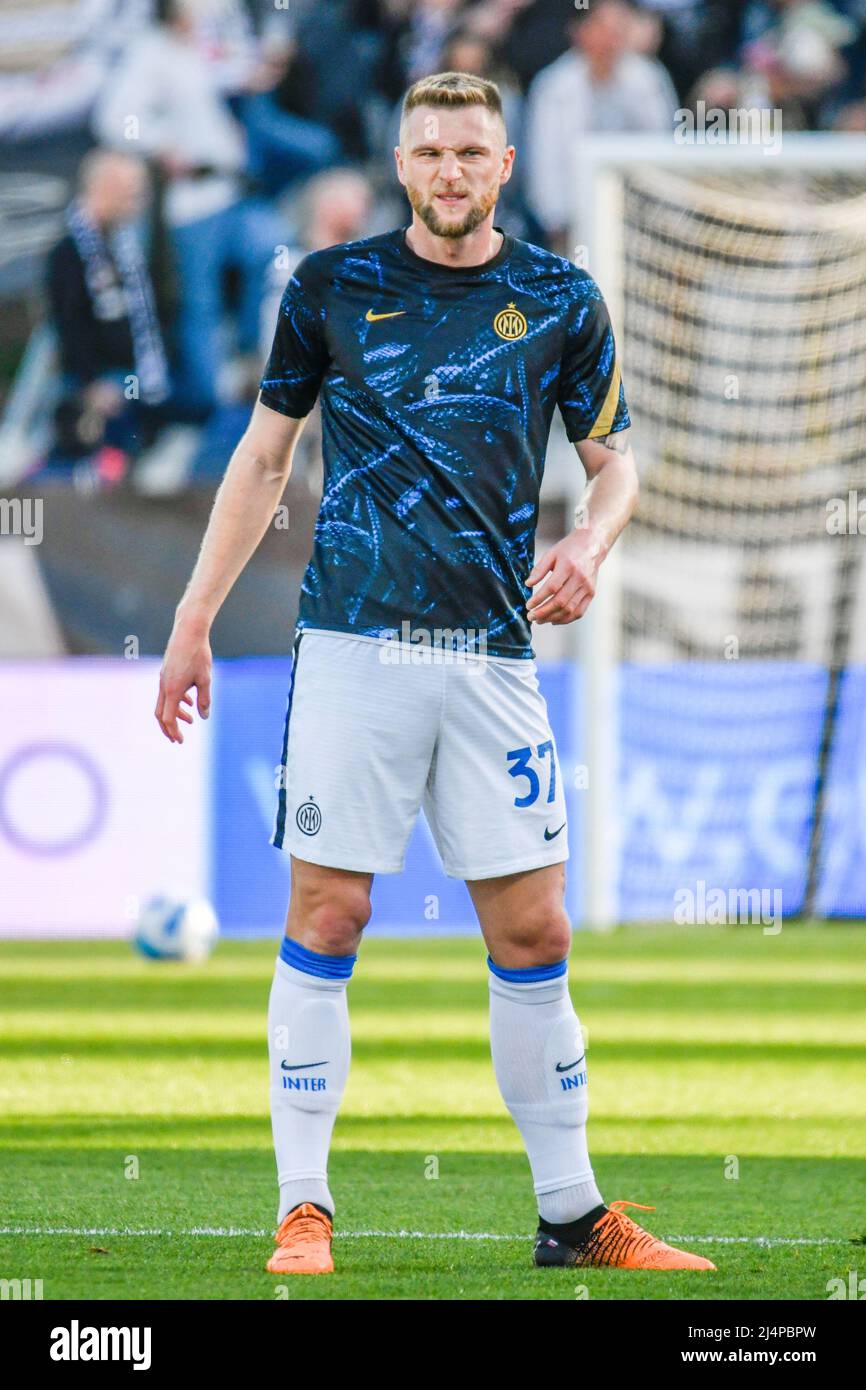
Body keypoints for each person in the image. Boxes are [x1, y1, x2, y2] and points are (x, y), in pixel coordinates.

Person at [155, 70, 715, 1278]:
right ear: (400, 164)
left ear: (503, 164)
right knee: (329, 912)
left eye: (470, 151)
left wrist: (588, 539)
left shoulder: (558, 297)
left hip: (492, 655)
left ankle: (570, 1215)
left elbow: (615, 465)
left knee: (533, 927)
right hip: (354, 646)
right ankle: (303, 1206)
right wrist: (194, 617)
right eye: (428, 152)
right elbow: (261, 463)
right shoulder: (330, 288)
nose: (449, 171)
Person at [93, 0, 283, 418]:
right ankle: (214, 407)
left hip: (232, 192)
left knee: (273, 249)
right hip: (192, 203)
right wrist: (160, 144)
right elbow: (112, 117)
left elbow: (227, 80)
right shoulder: (149, 52)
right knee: (201, 307)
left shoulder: (195, 46)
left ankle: (256, 358)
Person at [45, 149, 170, 475]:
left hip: (133, 380)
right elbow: (68, 324)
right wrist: (90, 384)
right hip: (97, 385)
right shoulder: (70, 252)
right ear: (105, 189)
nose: (140, 200)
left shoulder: (124, 248)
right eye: (132, 192)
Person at [525, 0, 678, 250]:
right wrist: (558, 223)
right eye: (605, 26)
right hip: (575, 218)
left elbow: (664, 148)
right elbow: (545, 167)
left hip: (641, 219)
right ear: (580, 30)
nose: (613, 35)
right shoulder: (552, 86)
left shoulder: (649, 79)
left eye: (620, 26)